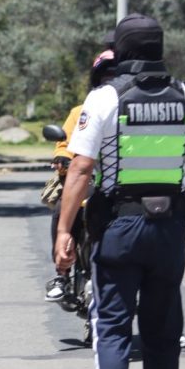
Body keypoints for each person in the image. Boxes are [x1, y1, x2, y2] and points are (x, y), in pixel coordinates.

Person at [55, 14, 185, 369]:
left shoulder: (106, 97)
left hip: (119, 228)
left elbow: (81, 167)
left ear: (122, 50)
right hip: (169, 231)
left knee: (112, 329)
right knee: (163, 333)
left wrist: (65, 229)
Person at [44, 46, 117, 303]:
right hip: (85, 182)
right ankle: (62, 273)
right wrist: (62, 157)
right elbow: (63, 143)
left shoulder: (127, 109)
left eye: (115, 76)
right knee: (61, 212)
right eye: (105, 76)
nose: (110, 81)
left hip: (115, 186)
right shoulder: (80, 111)